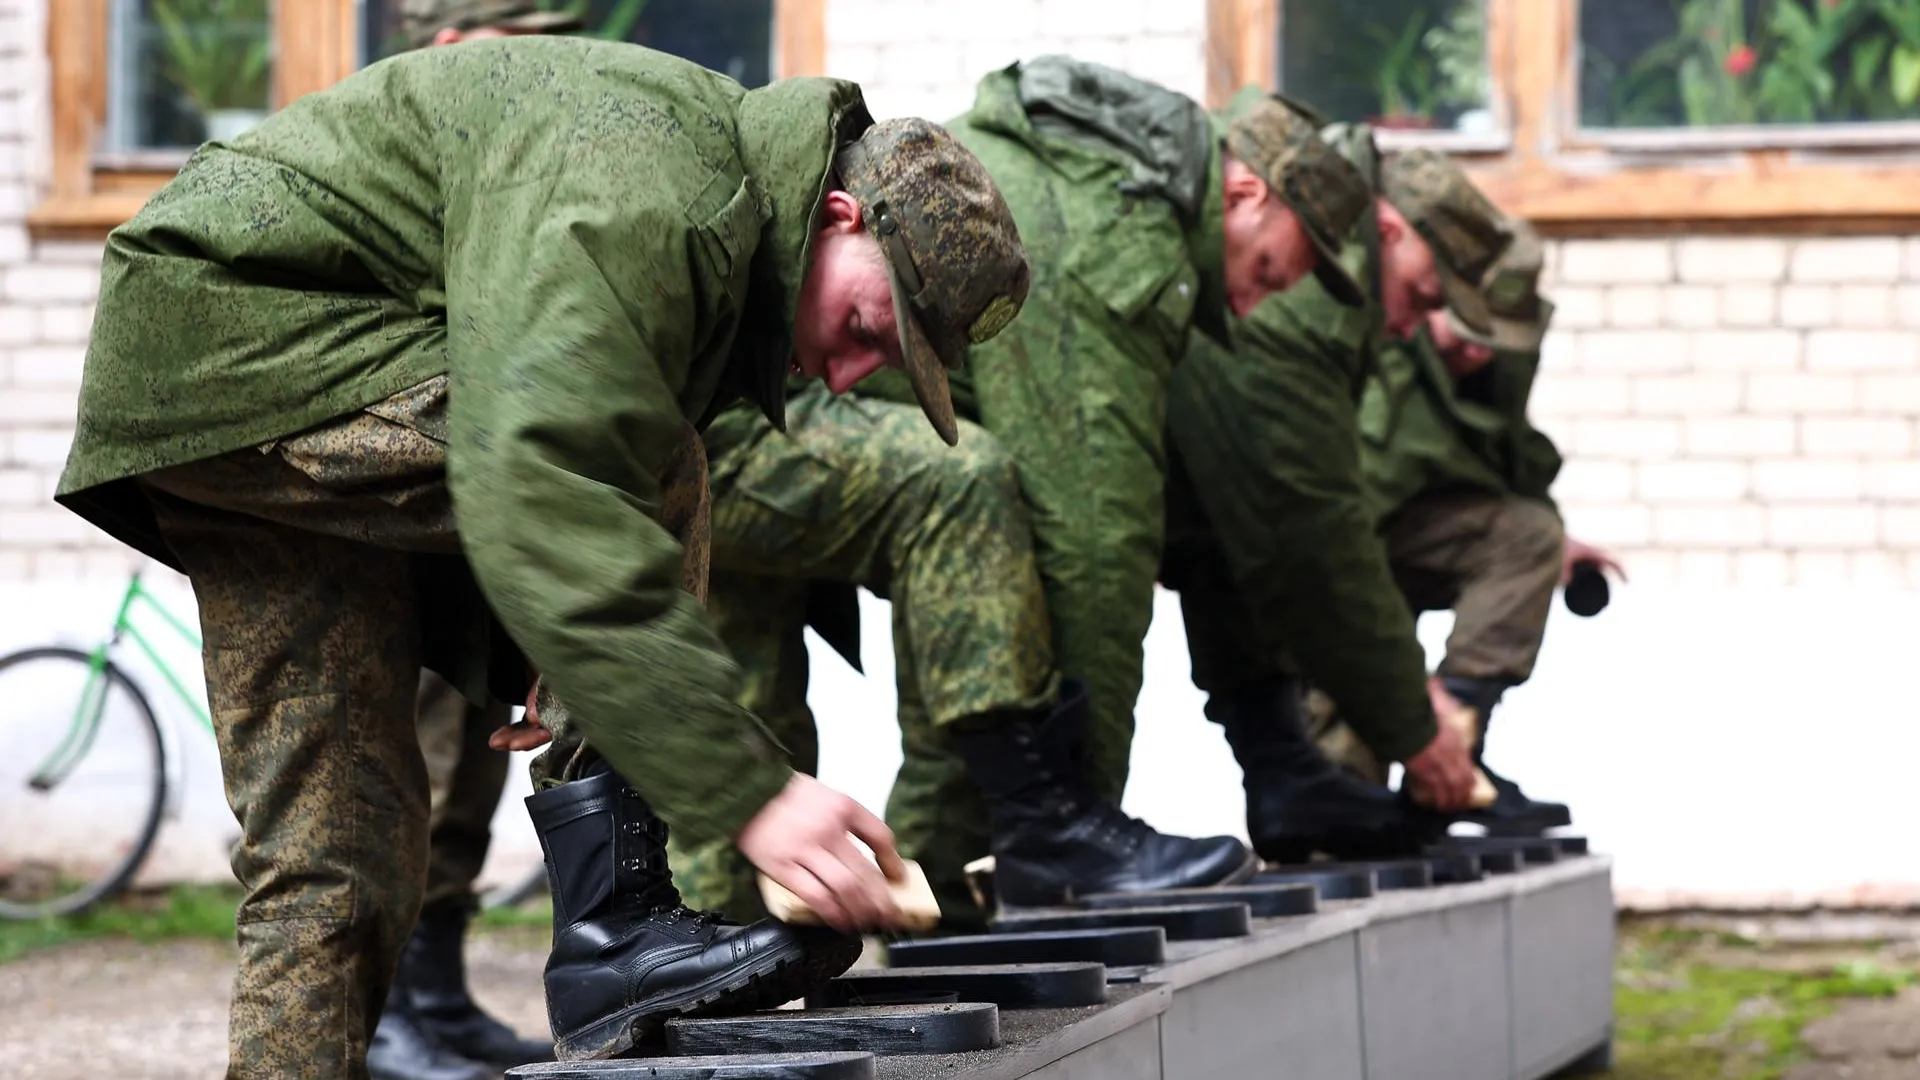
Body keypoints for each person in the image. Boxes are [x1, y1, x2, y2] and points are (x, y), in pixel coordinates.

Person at [55, 34, 1028, 1078]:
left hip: (213, 376)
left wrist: (547, 646)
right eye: (870, 330)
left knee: (338, 854)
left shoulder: (706, 215)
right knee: (657, 469)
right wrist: (752, 791)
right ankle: (618, 928)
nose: (847, 376)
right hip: (254, 334)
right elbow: (547, 478)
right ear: (839, 216)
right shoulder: (666, 192)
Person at [655, 56, 1376, 924]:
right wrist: (1083, 830)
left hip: (719, 421)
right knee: (959, 497)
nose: (1269, 299)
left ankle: (750, 976)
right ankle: (990, 867)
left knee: (754, 712)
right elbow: (1093, 539)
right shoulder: (1114, 234)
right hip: (711, 425)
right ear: (1251, 193)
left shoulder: (1102, 194)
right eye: (1282, 264)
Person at [1161, 92, 1513, 865]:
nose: (1412, 327)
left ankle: (1285, 768)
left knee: (1220, 532)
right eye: (1422, 296)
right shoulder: (1303, 299)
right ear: (1389, 229)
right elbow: (1315, 542)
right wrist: (1418, 736)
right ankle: (968, 892)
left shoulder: (1319, 273)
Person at [367, 5, 585, 1078]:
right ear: (452, 44)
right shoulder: (395, 148)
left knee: (473, 754)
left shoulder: (501, 154)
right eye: (525, 41)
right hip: (395, 500)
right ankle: (383, 1007)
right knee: (411, 756)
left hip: (478, 490)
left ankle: (436, 987)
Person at [1322, 220, 1625, 835]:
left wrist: (1553, 541)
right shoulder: (1381, 361)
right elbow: (1333, 546)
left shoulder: (1496, 349)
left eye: (1496, 337)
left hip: (1406, 525)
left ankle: (1453, 766)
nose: (1479, 351)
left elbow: (1504, 446)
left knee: (1527, 533)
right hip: (1332, 550)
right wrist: (1408, 695)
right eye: (1465, 330)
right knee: (1343, 778)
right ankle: (1346, 808)